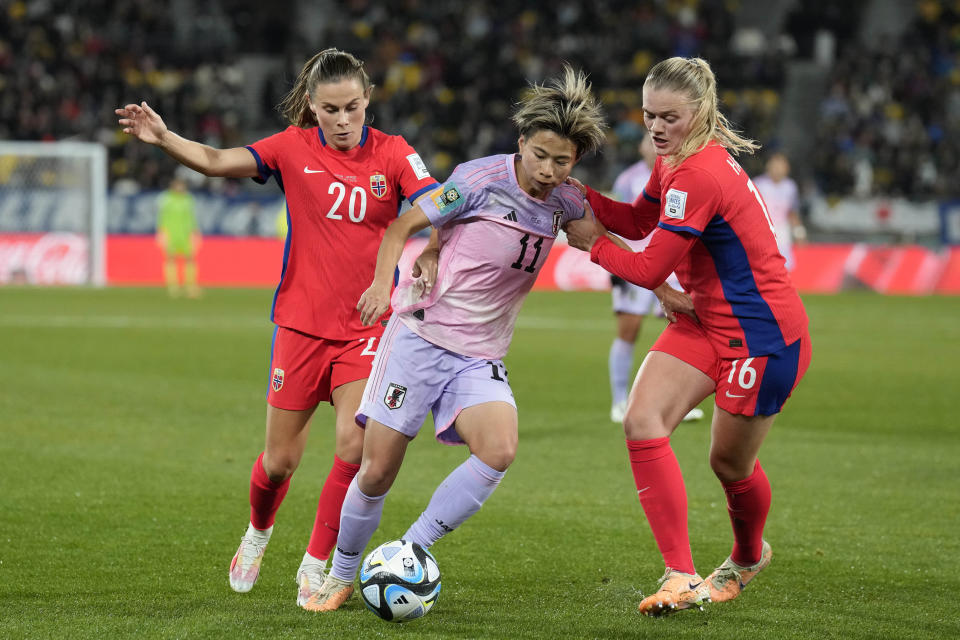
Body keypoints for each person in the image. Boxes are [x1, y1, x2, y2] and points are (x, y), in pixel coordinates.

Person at [116, 48, 440, 609]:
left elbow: (438, 200)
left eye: (354, 108)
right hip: (300, 327)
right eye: (331, 109)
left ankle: (317, 564)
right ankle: (257, 532)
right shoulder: (292, 148)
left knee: (355, 445)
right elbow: (218, 161)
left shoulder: (394, 153)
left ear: (368, 102)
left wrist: (429, 249)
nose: (343, 121)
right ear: (312, 107)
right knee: (279, 463)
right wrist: (166, 138)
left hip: (365, 328)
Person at [301, 65, 607, 612]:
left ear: (574, 162)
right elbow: (403, 225)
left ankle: (410, 550)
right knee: (377, 469)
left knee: (500, 448)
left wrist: (666, 294)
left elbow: (603, 246)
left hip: (479, 355)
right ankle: (341, 573)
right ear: (521, 144)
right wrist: (384, 282)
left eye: (561, 161)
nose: (547, 169)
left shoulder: (566, 200)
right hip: (420, 336)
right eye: (539, 155)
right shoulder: (479, 178)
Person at [564, 57, 811, 616]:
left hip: (762, 337)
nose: (655, 128)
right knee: (641, 419)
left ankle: (748, 557)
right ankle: (679, 574)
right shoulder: (676, 158)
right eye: (648, 115)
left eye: (668, 117)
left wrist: (591, 242)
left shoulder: (699, 173)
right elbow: (636, 221)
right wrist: (578, 195)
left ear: (698, 112)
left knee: (728, 465)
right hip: (705, 321)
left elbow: (649, 267)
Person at [607, 133, 703, 424]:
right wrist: (615, 267)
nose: (653, 146)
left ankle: (673, 404)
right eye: (647, 141)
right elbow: (612, 222)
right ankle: (620, 402)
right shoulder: (627, 180)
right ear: (640, 146)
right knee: (629, 330)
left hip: (671, 266)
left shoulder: (681, 174)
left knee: (682, 330)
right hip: (635, 265)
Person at [752, 152, 805, 272]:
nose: (778, 170)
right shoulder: (758, 184)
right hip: (762, 231)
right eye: (775, 166)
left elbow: (792, 211)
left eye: (781, 166)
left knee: (785, 268)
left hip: (782, 232)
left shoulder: (790, 187)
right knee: (763, 267)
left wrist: (799, 233)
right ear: (768, 167)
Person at [156, 176, 201, 298]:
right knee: (170, 258)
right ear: (173, 187)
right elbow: (162, 217)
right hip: (171, 233)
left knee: (190, 258)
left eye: (182, 186)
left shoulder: (188, 199)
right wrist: (161, 232)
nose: (180, 188)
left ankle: (190, 285)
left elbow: (191, 217)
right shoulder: (166, 199)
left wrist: (195, 232)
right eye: (178, 186)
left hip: (185, 234)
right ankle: (172, 286)